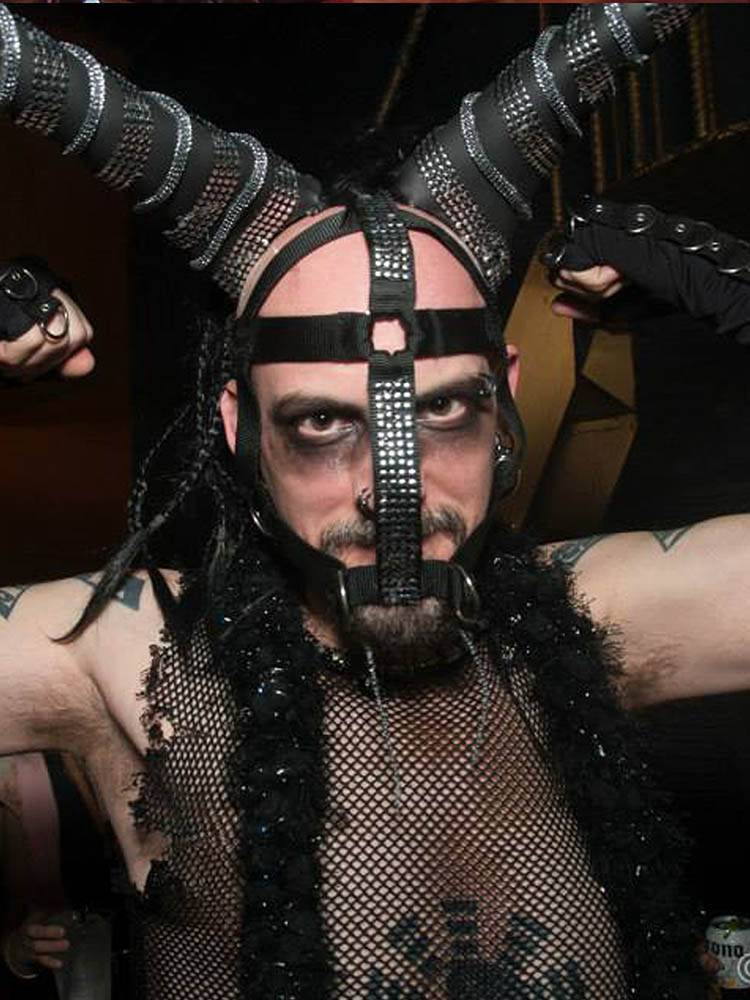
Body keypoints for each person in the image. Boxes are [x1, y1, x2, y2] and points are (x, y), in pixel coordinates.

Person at [0, 3, 741, 998]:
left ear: (505, 399)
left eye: (443, 407)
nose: (393, 492)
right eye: (319, 421)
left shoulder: (600, 615)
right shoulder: (131, 656)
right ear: (239, 426)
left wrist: (735, 291)